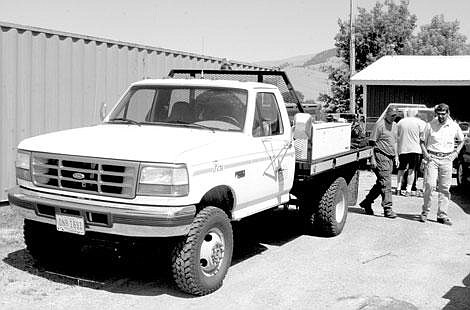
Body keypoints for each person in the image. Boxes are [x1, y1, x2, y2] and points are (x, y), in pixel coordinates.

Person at [419, 103, 464, 225]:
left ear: (448, 113)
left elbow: (461, 140)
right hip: (432, 158)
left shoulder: (454, 126)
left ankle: (442, 215)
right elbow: (422, 141)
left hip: (447, 159)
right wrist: (425, 154)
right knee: (429, 185)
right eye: (438, 114)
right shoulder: (430, 125)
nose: (441, 117)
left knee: (444, 188)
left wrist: (455, 153)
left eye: (443, 114)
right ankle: (425, 212)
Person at [359, 108, 399, 218]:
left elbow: (394, 142)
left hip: (390, 156)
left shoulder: (395, 125)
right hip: (380, 155)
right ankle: (388, 208)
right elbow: (372, 143)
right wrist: (372, 159)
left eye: (395, 115)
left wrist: (396, 156)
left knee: (381, 183)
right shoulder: (379, 125)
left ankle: (367, 202)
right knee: (386, 182)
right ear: (386, 114)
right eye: (392, 115)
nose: (393, 117)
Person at [396, 108, 426, 196]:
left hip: (403, 149)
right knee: (411, 170)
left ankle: (398, 189)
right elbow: (423, 137)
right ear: (416, 114)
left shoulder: (400, 122)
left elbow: (397, 136)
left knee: (401, 169)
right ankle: (408, 190)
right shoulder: (421, 123)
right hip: (415, 149)